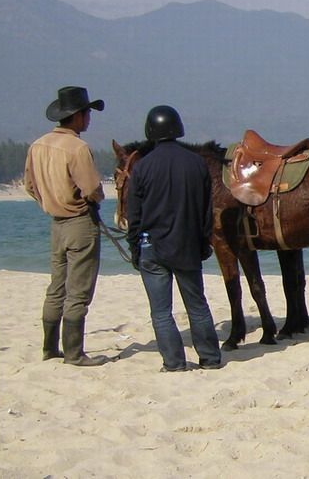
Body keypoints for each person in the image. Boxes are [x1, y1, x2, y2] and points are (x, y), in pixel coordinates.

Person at [126, 105, 221, 372]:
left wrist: (134, 248)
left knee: (161, 312)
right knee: (197, 306)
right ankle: (210, 358)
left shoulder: (142, 168)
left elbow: (134, 215)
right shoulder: (196, 163)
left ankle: (174, 362)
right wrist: (204, 243)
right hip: (187, 245)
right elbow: (206, 210)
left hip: (153, 246)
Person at [23, 86, 110, 366]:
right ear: (77, 116)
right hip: (79, 222)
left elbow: (29, 185)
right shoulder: (78, 148)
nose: (89, 119)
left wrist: (49, 200)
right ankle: (74, 353)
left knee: (56, 287)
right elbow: (92, 189)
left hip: (56, 224)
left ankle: (49, 347)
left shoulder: (38, 145)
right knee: (79, 291)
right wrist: (93, 200)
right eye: (87, 113)